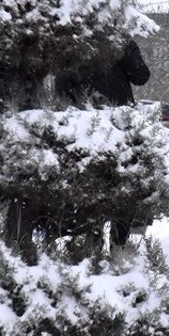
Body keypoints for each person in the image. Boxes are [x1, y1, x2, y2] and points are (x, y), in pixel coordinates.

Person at [55, 39, 152, 249]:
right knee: (119, 186)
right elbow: (141, 76)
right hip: (108, 126)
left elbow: (141, 76)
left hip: (92, 127)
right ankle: (113, 244)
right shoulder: (115, 41)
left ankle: (99, 243)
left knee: (98, 187)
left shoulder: (76, 39)